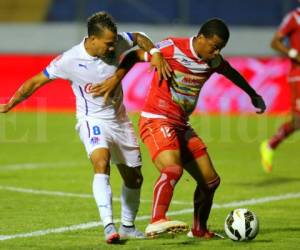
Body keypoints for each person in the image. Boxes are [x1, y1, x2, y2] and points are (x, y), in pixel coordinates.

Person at [0, 11, 171, 244]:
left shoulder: (117, 41)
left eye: (114, 43)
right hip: (92, 120)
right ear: (92, 39)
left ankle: (128, 227)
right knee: (101, 162)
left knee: (135, 179)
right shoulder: (69, 60)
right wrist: (12, 102)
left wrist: (155, 52)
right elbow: (36, 81)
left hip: (120, 121)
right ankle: (109, 225)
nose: (113, 48)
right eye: (108, 44)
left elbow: (139, 37)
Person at [91, 18, 266, 238]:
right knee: (173, 169)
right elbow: (134, 55)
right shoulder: (170, 48)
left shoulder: (212, 61)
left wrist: (253, 94)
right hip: (156, 119)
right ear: (201, 38)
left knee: (211, 181)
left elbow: (230, 72)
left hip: (181, 125)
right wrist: (117, 78)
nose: (216, 53)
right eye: (214, 47)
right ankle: (156, 220)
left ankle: (199, 230)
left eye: (220, 48)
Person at [260, 3, 300, 173]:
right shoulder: (294, 18)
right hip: (298, 75)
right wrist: (293, 53)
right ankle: (270, 145)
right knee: (298, 121)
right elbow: (275, 42)